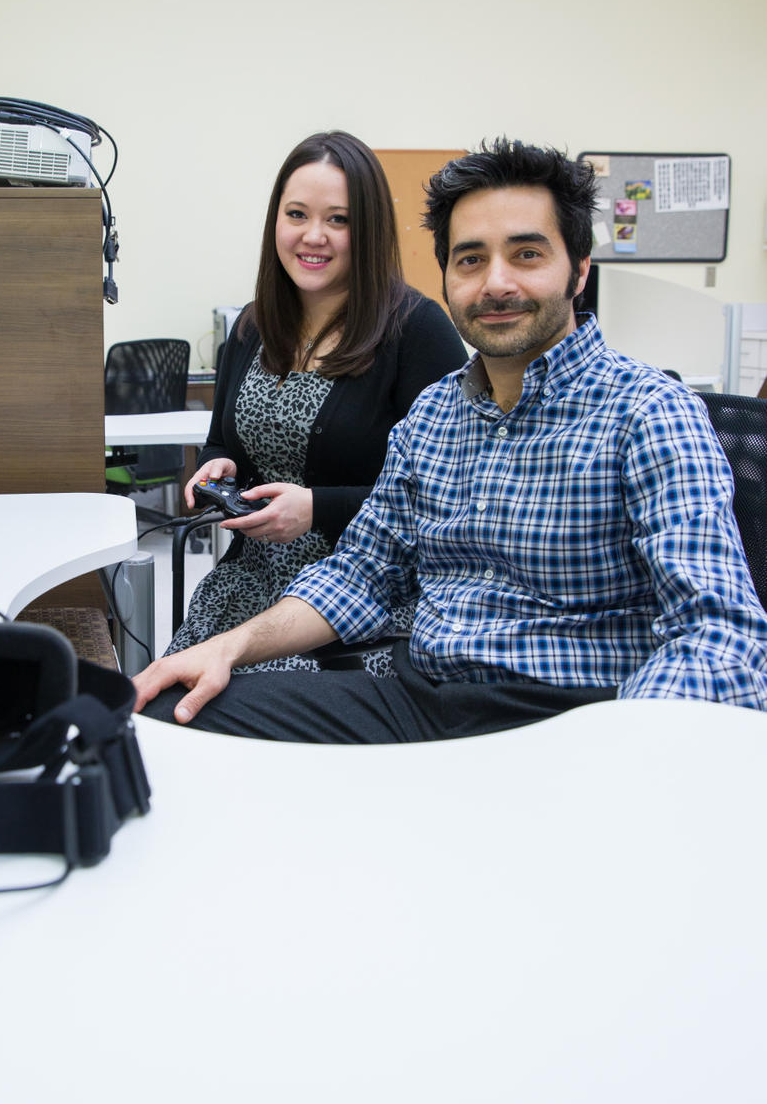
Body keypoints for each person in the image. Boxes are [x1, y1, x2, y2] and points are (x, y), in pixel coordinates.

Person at [135, 138, 767, 739]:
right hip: (417, 701)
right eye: (470, 259)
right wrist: (228, 646)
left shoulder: (650, 413)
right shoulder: (435, 415)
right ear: (446, 277)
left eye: (527, 254)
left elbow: (718, 635)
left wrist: (616, 761)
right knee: (174, 715)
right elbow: (361, 574)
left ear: (579, 272)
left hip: (571, 718)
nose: (495, 283)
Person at [167, 130, 465, 674]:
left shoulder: (416, 330)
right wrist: (218, 463)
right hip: (247, 585)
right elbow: (220, 437)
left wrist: (318, 508)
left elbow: (448, 494)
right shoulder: (255, 324)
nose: (313, 236)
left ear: (369, 229)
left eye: (339, 220)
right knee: (173, 709)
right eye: (297, 214)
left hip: (363, 602)